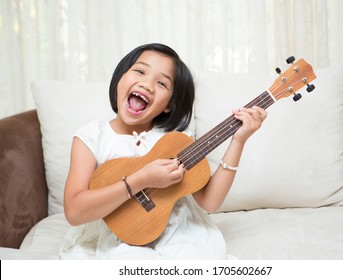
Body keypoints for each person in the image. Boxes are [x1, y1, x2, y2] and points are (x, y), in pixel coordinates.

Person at [60, 43, 267, 259]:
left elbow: (209, 202)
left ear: (169, 104)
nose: (148, 85)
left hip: (177, 236)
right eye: (140, 71)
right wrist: (140, 180)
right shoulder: (91, 137)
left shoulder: (175, 142)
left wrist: (238, 141)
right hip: (115, 237)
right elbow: (74, 212)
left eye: (161, 83)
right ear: (121, 78)